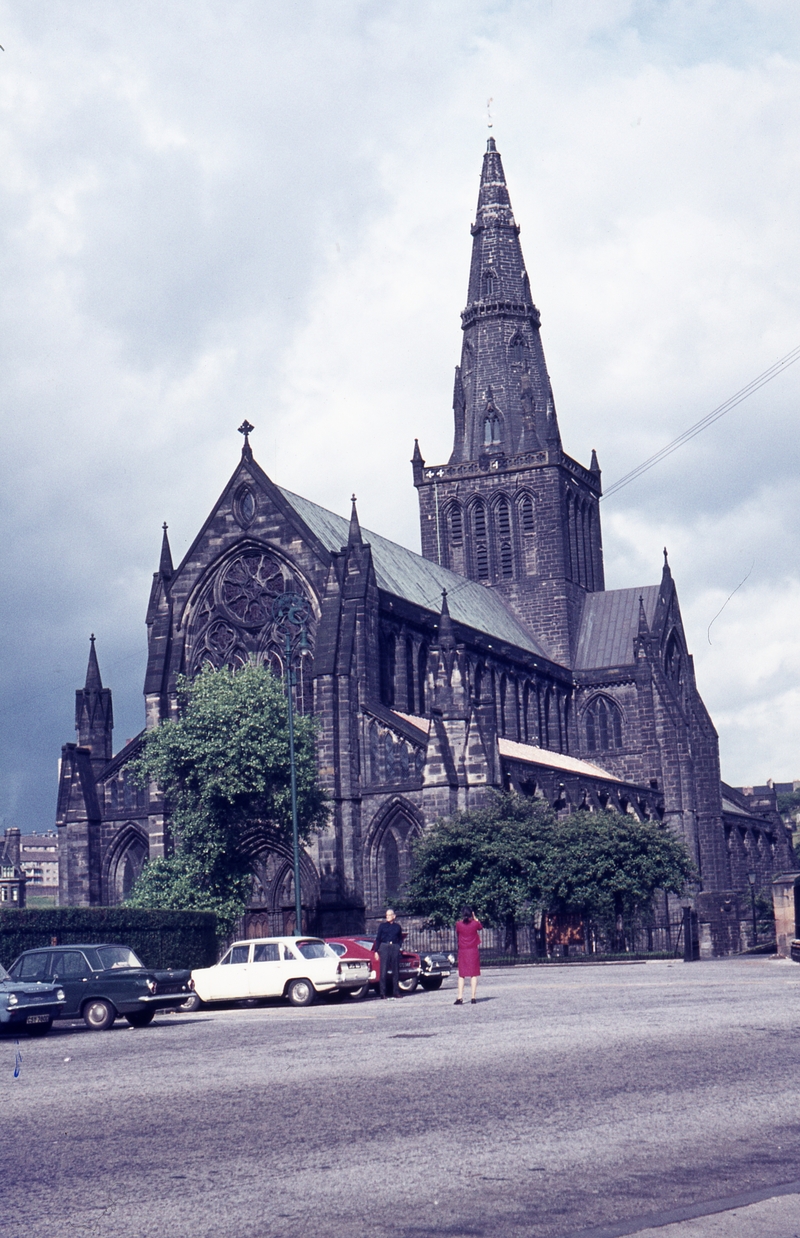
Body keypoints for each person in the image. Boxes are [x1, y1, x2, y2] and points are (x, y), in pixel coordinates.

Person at [454, 906, 482, 1004]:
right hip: (473, 951)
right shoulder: (475, 924)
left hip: (463, 951)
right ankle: (473, 997)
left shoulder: (458, 924)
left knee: (462, 975)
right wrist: (475, 918)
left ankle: (459, 997)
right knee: (473, 974)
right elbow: (480, 927)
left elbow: (458, 933)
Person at [373, 908, 403, 998]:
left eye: (389, 915)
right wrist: (376, 951)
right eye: (386, 915)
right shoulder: (382, 926)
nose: (388, 917)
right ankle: (382, 993)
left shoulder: (397, 927)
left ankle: (396, 992)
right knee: (383, 970)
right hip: (384, 947)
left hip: (394, 947)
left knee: (396, 971)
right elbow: (378, 939)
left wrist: (398, 946)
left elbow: (400, 938)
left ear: (394, 916)